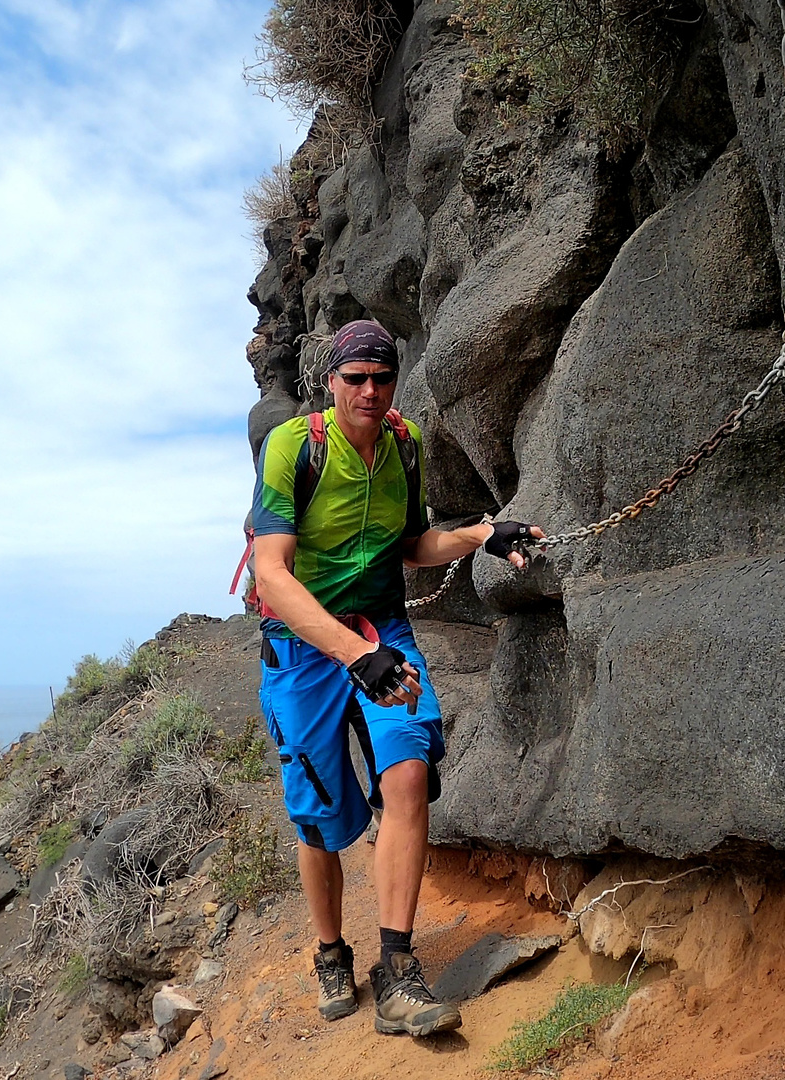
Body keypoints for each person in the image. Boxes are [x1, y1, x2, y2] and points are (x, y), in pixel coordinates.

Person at [251, 319, 542, 1037]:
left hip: (382, 628)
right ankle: (330, 951)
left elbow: (414, 545)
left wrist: (481, 534)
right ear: (332, 383)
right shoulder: (294, 447)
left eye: (383, 378)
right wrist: (354, 655)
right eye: (357, 379)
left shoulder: (403, 445)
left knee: (407, 774)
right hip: (303, 643)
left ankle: (398, 969)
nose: (371, 391)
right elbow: (271, 574)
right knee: (319, 824)